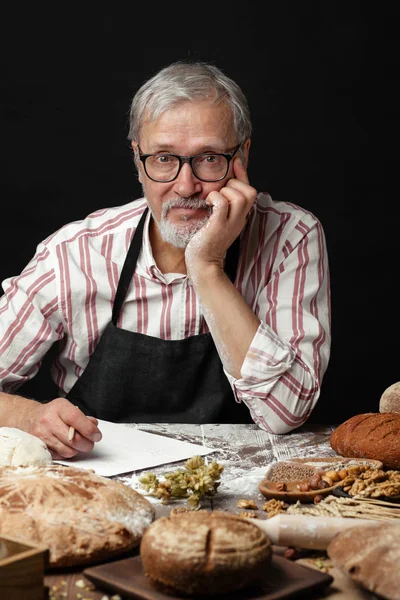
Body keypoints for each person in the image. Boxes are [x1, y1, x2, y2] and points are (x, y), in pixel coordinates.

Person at [0, 61, 331, 458]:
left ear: (242, 154)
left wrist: (207, 266)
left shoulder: (291, 237)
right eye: (163, 158)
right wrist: (26, 416)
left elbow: (286, 413)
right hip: (97, 490)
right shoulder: (76, 252)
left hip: (243, 491)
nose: (186, 185)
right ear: (137, 159)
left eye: (209, 158)